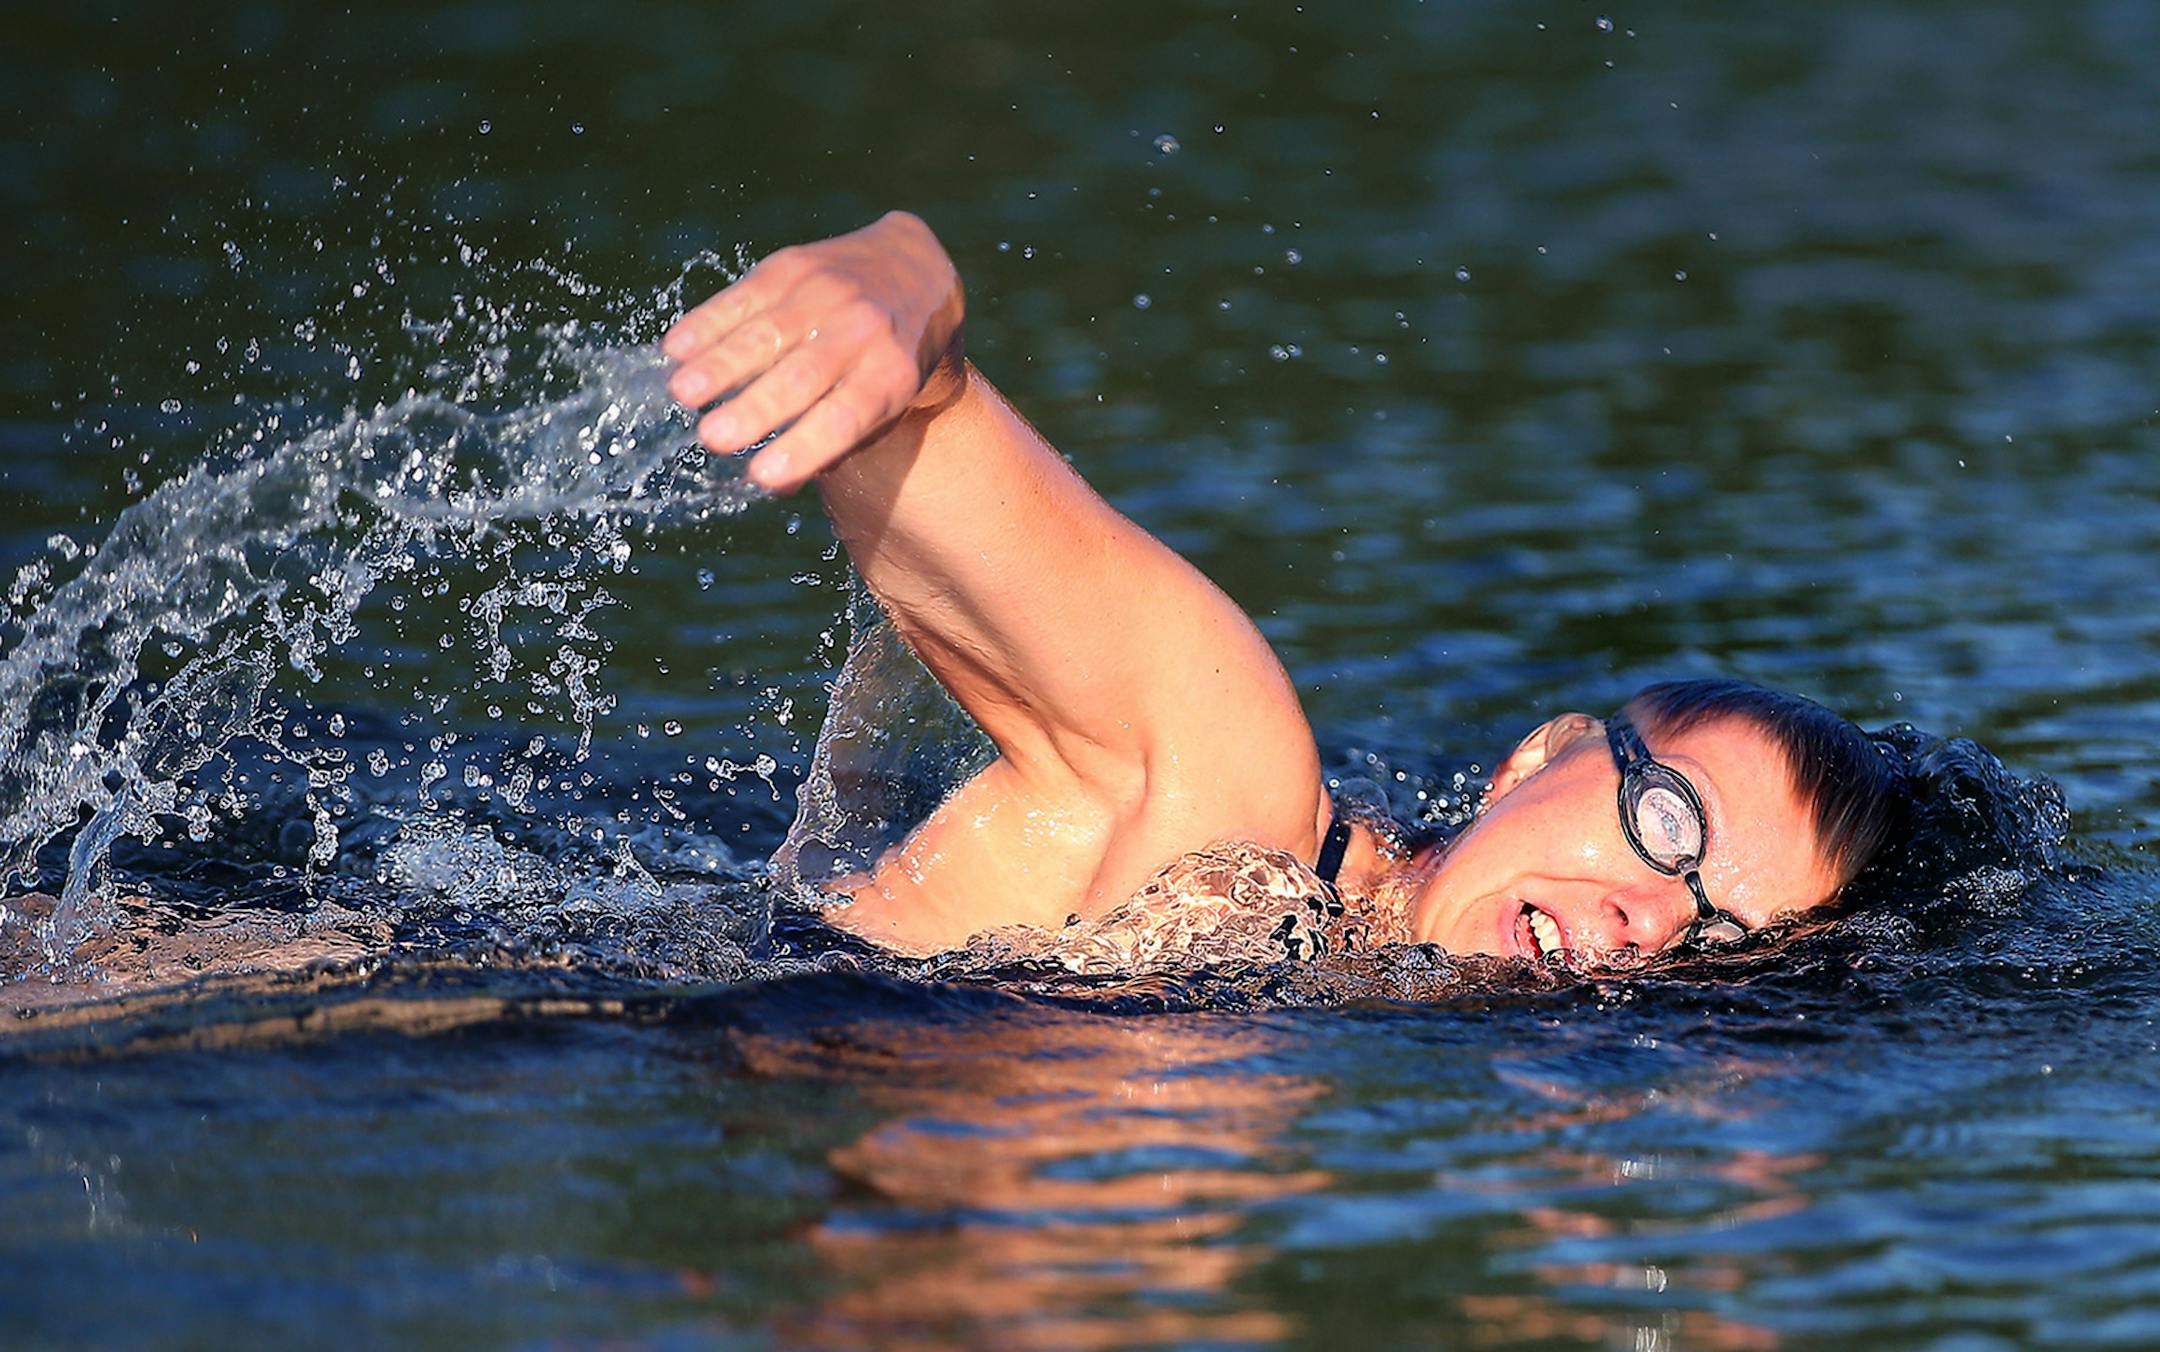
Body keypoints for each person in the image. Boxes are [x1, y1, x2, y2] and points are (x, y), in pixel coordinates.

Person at [661, 212, 1908, 971]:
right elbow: (920, 399)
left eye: (1721, 934)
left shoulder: (1335, 1001)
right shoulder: (1233, 785)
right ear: (1541, 757)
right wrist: (900, 276)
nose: (1651, 917)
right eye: (1672, 827)